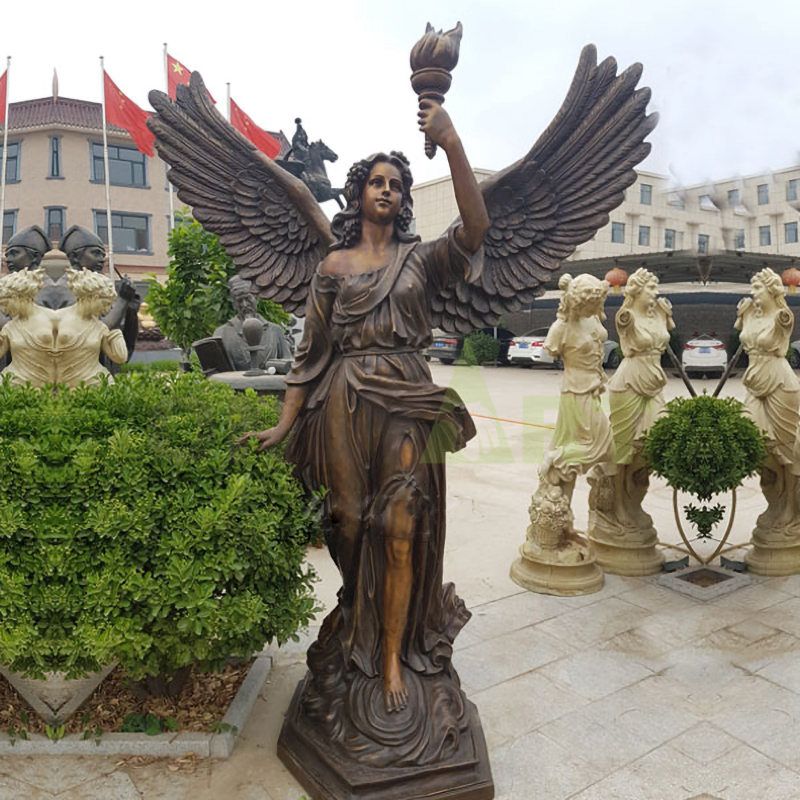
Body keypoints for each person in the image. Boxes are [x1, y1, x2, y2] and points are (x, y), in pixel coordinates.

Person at [240, 99, 489, 717]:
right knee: (349, 520)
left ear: (405, 199)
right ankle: (361, 614)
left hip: (405, 393)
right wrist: (284, 422)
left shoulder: (423, 259)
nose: (388, 190)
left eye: (397, 184)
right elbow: (310, 353)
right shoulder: (333, 266)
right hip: (345, 398)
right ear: (359, 194)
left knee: (401, 526)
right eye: (377, 181)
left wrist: (452, 143)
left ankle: (390, 656)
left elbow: (477, 227)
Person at [736, 268, 800, 529]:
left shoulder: (782, 316)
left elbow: (777, 336)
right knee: (758, 447)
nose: (753, 294)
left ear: (772, 291)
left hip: (779, 385)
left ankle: (790, 509)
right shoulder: (749, 312)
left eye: (757, 289)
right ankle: (775, 503)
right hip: (754, 386)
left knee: (785, 451)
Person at [213, 275, 292, 370]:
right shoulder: (221, 334)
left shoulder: (275, 331)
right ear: (234, 304)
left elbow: (289, 368)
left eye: (248, 298)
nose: (245, 305)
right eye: (239, 301)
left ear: (256, 298)